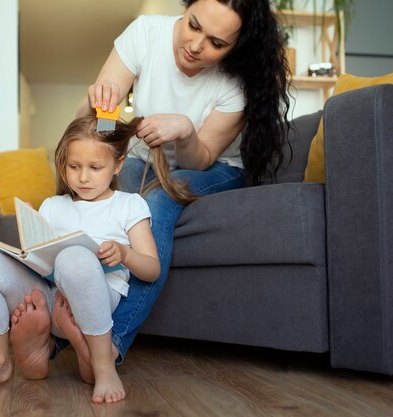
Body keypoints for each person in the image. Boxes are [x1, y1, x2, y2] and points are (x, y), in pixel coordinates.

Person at [73, 0, 291, 367]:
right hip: (146, 158)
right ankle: (59, 335)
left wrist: (186, 131)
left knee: (158, 200)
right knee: (97, 190)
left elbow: (199, 159)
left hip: (213, 166)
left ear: (236, 48)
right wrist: (100, 109)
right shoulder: (145, 34)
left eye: (216, 44)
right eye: (193, 25)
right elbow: (102, 135)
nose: (195, 45)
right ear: (185, 9)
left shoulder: (238, 82)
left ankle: (110, 345)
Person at [0, 115, 163, 404]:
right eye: (74, 167)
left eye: (95, 168)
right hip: (49, 295)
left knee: (74, 257)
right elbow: (40, 260)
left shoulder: (128, 205)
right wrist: (28, 238)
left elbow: (152, 270)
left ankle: (103, 365)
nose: (83, 177)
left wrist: (125, 254)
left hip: (94, 302)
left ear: (118, 164)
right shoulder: (53, 205)